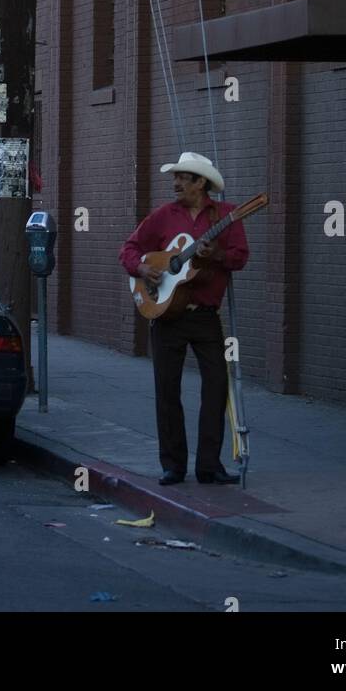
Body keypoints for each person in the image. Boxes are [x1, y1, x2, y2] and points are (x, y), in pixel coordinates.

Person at [119, 151, 249, 487]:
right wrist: (143, 268)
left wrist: (216, 254)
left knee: (217, 386)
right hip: (166, 316)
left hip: (205, 315)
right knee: (167, 390)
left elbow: (240, 257)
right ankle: (173, 466)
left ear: (201, 182)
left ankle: (209, 466)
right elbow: (129, 250)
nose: (175, 183)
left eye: (182, 177)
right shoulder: (164, 216)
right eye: (175, 177)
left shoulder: (226, 215)